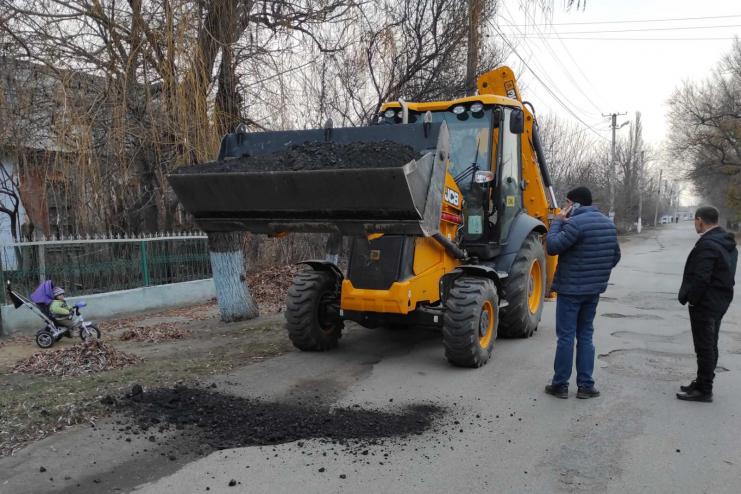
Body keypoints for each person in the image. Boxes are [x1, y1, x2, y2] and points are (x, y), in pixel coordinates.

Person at [544, 186, 621, 399]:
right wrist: (596, 274)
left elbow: (552, 246)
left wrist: (557, 222)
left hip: (570, 290)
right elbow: (615, 256)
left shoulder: (575, 224)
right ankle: (586, 386)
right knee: (586, 335)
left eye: (567, 203)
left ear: (574, 204)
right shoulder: (608, 224)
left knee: (566, 337)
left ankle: (560, 385)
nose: (565, 207)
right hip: (593, 291)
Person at [676, 206, 737, 402]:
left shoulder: (708, 244)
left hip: (706, 302)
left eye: (695, 221)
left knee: (704, 346)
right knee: (710, 343)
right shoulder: (726, 241)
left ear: (700, 220)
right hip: (720, 299)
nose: (695, 224)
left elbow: (701, 278)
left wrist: (693, 299)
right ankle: (703, 381)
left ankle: (704, 389)